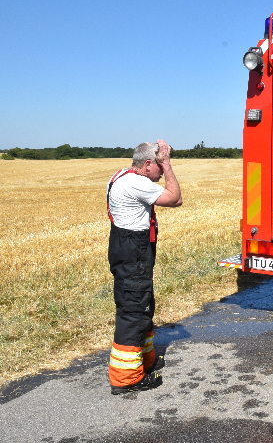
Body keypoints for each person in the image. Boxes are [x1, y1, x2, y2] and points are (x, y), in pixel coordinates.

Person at [106, 140, 182, 395]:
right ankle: (126, 378)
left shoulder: (121, 176)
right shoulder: (136, 183)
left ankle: (145, 361)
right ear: (148, 164)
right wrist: (168, 165)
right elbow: (175, 198)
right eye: (158, 165)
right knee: (133, 311)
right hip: (133, 251)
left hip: (126, 247)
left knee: (142, 305)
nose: (161, 172)